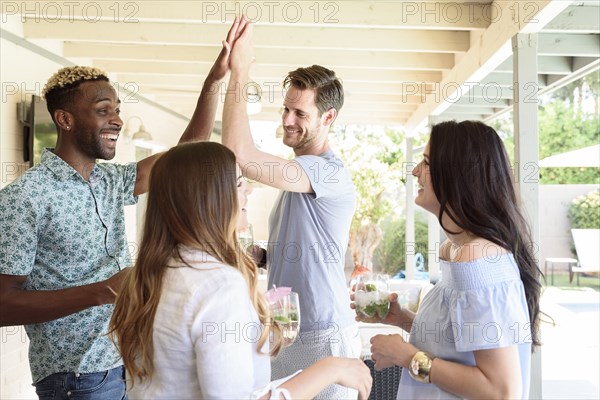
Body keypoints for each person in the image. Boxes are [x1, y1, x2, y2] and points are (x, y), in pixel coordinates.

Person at [0, 17, 245, 399]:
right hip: (76, 379)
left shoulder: (111, 180)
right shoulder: (24, 198)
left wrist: (213, 82)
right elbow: (2, 304)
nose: (116, 119)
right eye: (102, 110)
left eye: (116, 108)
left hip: (127, 360)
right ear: (64, 120)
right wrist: (101, 292)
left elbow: (184, 156)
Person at [109, 141, 372, 399]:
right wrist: (330, 369)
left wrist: (259, 334)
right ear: (209, 199)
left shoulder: (148, 277)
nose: (248, 190)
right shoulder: (218, 284)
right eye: (237, 182)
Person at [222, 19, 360, 398]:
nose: (287, 120)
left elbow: (239, 156)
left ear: (328, 118)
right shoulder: (296, 179)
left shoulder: (326, 173)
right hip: (289, 328)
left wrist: (240, 70)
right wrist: (263, 256)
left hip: (324, 335)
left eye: (300, 113)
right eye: (286, 109)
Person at [358, 120, 542, 399]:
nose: (416, 171)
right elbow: (463, 344)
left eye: (427, 163)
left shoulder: (478, 259)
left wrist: (406, 356)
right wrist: (404, 320)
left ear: (458, 175)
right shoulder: (458, 250)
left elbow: (501, 390)